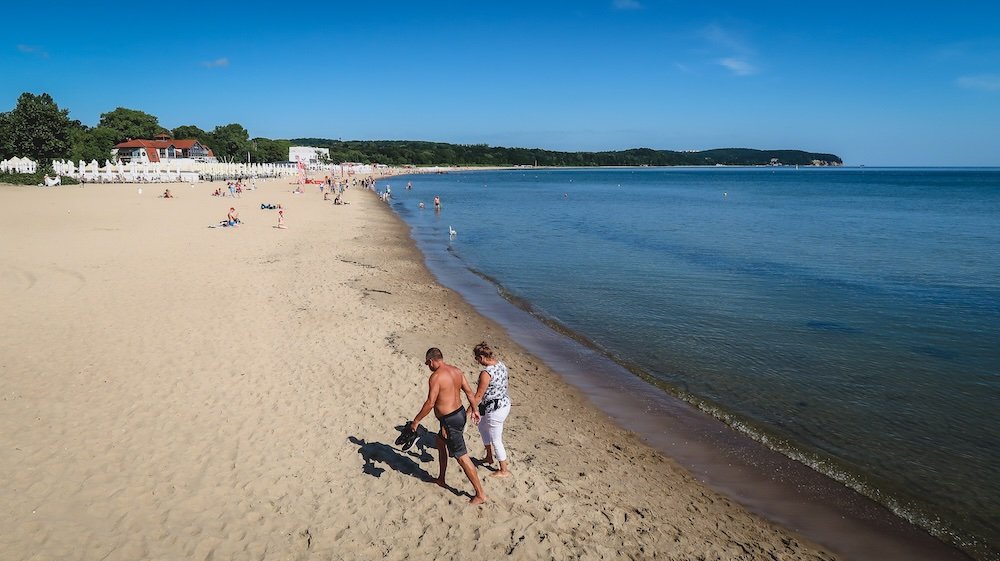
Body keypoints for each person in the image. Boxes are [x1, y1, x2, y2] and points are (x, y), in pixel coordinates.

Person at [409, 348, 487, 505]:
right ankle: (441, 478)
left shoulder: (436, 377)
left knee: (461, 457)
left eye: (427, 363)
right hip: (459, 414)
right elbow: (469, 393)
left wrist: (416, 421)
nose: (428, 366)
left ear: (431, 361)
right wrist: (475, 410)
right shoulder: (456, 371)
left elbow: (430, 403)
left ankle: (480, 494)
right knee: (440, 441)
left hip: (450, 420)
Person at [470, 342, 513, 477]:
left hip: (495, 409)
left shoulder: (486, 373)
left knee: (496, 439)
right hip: (503, 403)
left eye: (477, 359)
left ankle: (503, 470)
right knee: (482, 426)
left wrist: (469, 411)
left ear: (481, 357)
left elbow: (478, 395)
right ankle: (489, 456)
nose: (477, 362)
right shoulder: (501, 365)